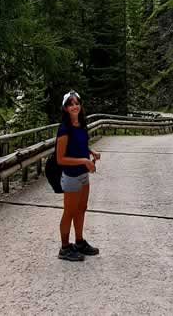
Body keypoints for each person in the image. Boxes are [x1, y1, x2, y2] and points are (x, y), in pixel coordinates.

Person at [56, 90, 101, 261]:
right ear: (65, 108)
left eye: (76, 103)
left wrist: (91, 152)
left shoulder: (81, 125)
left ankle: (80, 242)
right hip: (71, 176)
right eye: (70, 104)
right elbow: (61, 159)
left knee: (81, 209)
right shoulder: (64, 129)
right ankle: (65, 248)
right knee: (69, 211)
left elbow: (80, 145)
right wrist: (84, 161)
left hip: (83, 174)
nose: (74, 106)